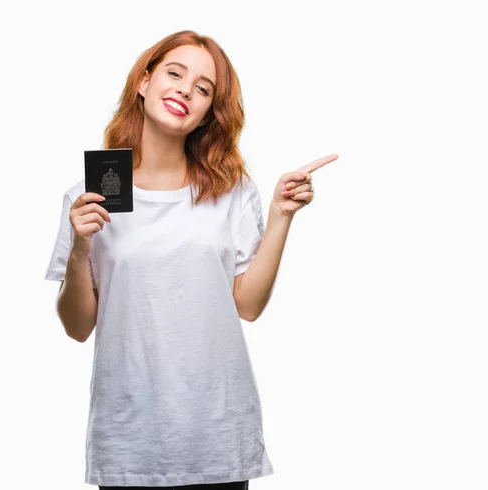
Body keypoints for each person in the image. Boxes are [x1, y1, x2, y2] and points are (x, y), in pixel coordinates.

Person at [44, 30, 338, 488]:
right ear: (143, 82)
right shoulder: (95, 193)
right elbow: (78, 327)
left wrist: (282, 216)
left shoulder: (231, 189)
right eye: (174, 73)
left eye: (203, 88)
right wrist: (81, 247)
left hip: (217, 436)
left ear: (207, 115)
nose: (185, 89)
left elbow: (249, 306)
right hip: (129, 442)